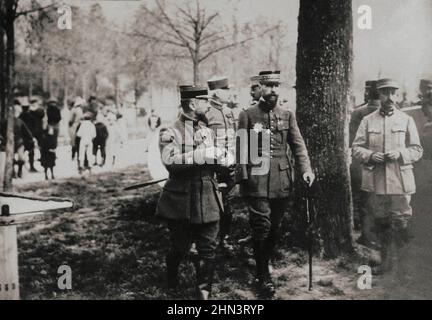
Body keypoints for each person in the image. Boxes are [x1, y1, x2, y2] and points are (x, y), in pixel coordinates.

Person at [238, 70, 315, 297]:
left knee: (275, 228)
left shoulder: (287, 115)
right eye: (268, 85)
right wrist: (243, 177)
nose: (273, 90)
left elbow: (298, 145)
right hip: (257, 179)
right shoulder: (248, 114)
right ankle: (263, 275)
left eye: (276, 85)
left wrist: (306, 170)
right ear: (260, 87)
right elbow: (242, 148)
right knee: (261, 227)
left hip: (282, 179)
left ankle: (262, 260)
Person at [155, 85, 225, 300]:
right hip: (181, 199)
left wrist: (223, 161)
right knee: (180, 246)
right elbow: (170, 161)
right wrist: (201, 154)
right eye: (205, 101)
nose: (208, 104)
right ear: (193, 104)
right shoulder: (169, 131)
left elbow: (212, 160)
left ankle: (204, 294)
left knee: (208, 248)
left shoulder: (205, 130)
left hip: (207, 195)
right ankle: (172, 277)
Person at [353, 78, 423, 272]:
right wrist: (370, 155)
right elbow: (356, 148)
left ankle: (403, 264)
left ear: (397, 95)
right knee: (382, 222)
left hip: (400, 180)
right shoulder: (368, 121)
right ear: (379, 94)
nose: (390, 97)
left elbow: (417, 150)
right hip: (377, 181)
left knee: (401, 222)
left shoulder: (406, 120)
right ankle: (385, 263)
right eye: (386, 93)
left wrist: (401, 154)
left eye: (393, 93)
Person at [205, 76, 237, 253]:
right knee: (211, 205)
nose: (229, 93)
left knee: (227, 207)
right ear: (217, 93)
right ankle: (207, 241)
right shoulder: (207, 113)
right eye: (226, 90)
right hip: (213, 167)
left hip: (228, 167)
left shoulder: (228, 112)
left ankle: (224, 239)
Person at [349, 80, 381, 247]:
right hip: (382, 165)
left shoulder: (358, 112)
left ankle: (366, 235)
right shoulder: (392, 112)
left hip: (361, 163)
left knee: (363, 200)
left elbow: (351, 140)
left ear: (368, 92)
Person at [18, 97, 37, 173]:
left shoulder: (20, 117)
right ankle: (31, 166)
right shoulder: (31, 117)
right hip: (29, 137)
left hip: (22, 138)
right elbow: (35, 127)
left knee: (21, 154)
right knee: (31, 152)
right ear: (28, 108)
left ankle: (20, 170)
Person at [69, 97, 85, 161]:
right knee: (78, 141)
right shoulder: (80, 110)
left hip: (75, 126)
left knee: (74, 141)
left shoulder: (74, 110)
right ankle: (78, 155)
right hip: (80, 125)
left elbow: (70, 120)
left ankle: (73, 155)